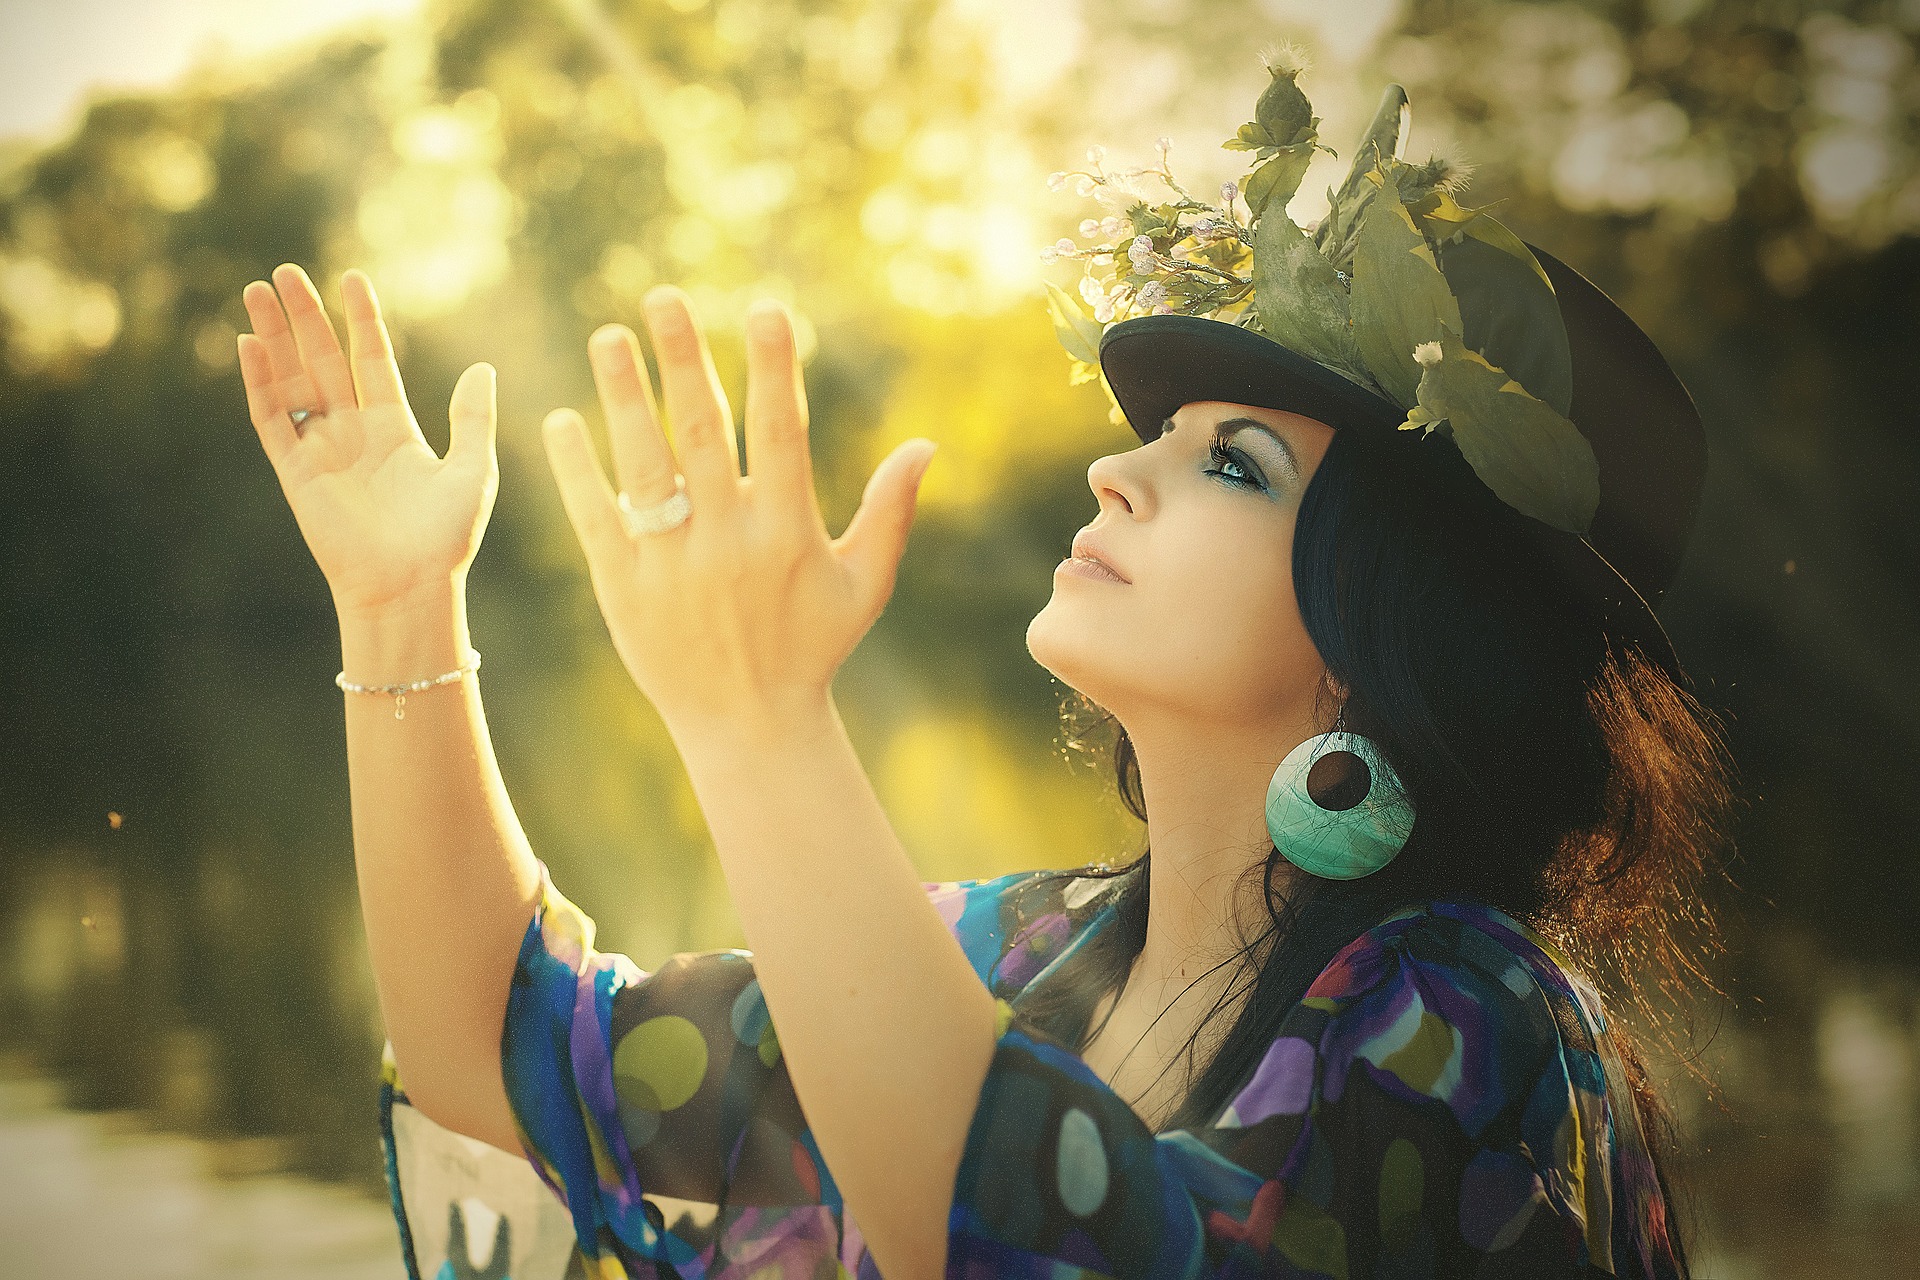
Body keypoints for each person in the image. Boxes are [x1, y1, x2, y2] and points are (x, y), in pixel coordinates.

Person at [236, 59, 1735, 1280]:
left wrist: (761, 726)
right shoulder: (1001, 956)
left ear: (1393, 623)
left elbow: (1054, 1241)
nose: (1117, 471)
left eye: (1235, 461)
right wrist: (397, 608)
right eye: (1156, 433)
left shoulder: (1481, 1029)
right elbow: (515, 1075)